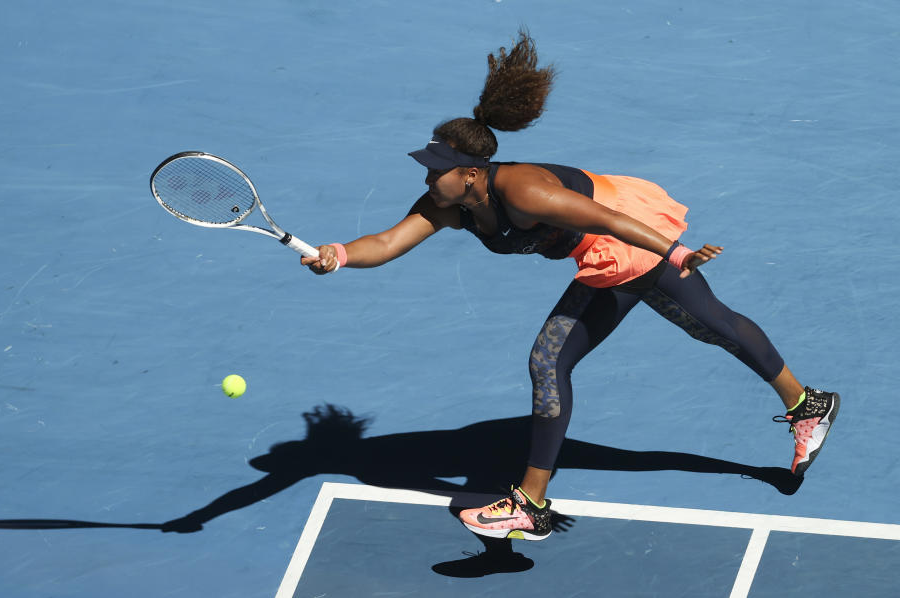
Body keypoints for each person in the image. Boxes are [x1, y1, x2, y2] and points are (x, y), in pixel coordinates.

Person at [300, 31, 839, 542]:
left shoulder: (525, 190)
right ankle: (809, 404)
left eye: (435, 170)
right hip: (609, 241)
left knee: (551, 360)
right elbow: (389, 242)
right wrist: (340, 254)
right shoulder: (449, 205)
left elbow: (608, 220)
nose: (426, 178)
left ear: (469, 172)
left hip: (627, 233)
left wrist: (673, 251)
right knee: (711, 323)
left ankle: (530, 505)